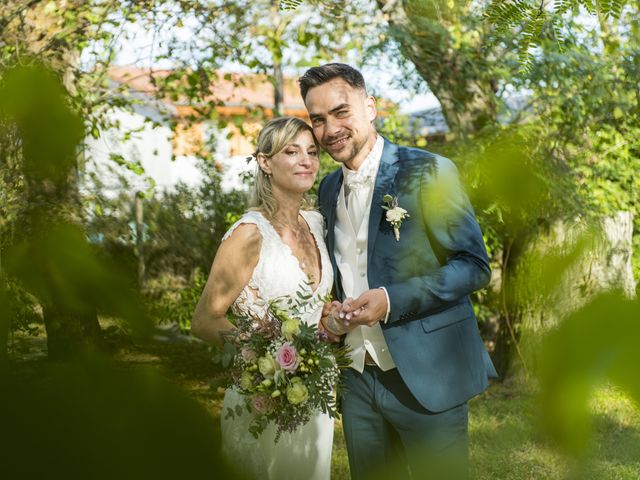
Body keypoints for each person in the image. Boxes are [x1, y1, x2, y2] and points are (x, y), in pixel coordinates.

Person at [300, 63, 498, 479]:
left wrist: (391, 300)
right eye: (317, 120)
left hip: (428, 375)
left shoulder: (428, 171)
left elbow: (474, 267)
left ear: (369, 107)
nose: (330, 128)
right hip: (357, 380)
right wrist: (332, 314)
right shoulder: (328, 189)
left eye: (341, 112)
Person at [191, 116, 334, 479]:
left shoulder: (316, 223)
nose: (307, 160)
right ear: (265, 162)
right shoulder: (249, 234)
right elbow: (205, 319)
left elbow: (312, 305)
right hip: (263, 395)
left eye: (312, 152)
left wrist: (328, 316)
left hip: (315, 395)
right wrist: (263, 360)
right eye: (292, 151)